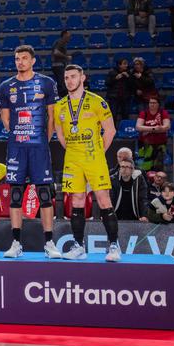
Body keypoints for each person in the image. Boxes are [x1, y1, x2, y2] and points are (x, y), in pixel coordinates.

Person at [0, 45, 61, 258]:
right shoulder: (6, 86)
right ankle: (16, 243)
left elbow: (52, 117)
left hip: (39, 147)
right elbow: (5, 119)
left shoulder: (46, 83)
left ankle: (49, 243)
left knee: (44, 193)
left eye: (24, 58)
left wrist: (44, 138)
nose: (20, 62)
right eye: (17, 59)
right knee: (15, 194)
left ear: (33, 60)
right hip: (16, 147)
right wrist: (17, 133)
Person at [52, 64, 121, 261]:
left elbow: (110, 130)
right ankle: (78, 246)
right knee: (77, 201)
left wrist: (98, 151)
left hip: (94, 157)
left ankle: (114, 246)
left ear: (83, 77)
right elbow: (61, 134)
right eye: (66, 78)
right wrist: (75, 150)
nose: (69, 81)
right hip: (73, 159)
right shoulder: (60, 106)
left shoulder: (97, 101)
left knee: (103, 199)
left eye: (73, 77)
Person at [136, 95, 171, 167]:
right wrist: (154, 128)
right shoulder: (143, 113)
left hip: (160, 144)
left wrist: (146, 130)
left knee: (158, 166)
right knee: (145, 166)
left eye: (154, 103)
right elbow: (138, 127)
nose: (152, 104)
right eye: (150, 103)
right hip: (144, 144)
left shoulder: (163, 113)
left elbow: (167, 126)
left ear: (158, 104)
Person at [106, 58, 134, 124]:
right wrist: (115, 78)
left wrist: (128, 77)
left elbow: (133, 85)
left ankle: (125, 130)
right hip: (114, 98)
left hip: (125, 98)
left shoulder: (129, 73)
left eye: (127, 64)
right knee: (113, 114)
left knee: (125, 115)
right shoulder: (112, 73)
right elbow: (107, 83)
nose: (126, 65)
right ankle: (113, 131)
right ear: (119, 65)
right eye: (124, 64)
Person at [50, 30, 70, 98]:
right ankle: (62, 99)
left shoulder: (61, 43)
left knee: (61, 83)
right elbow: (56, 52)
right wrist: (66, 57)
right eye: (68, 35)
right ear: (64, 35)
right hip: (58, 65)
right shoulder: (60, 42)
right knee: (61, 84)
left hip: (59, 65)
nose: (69, 37)